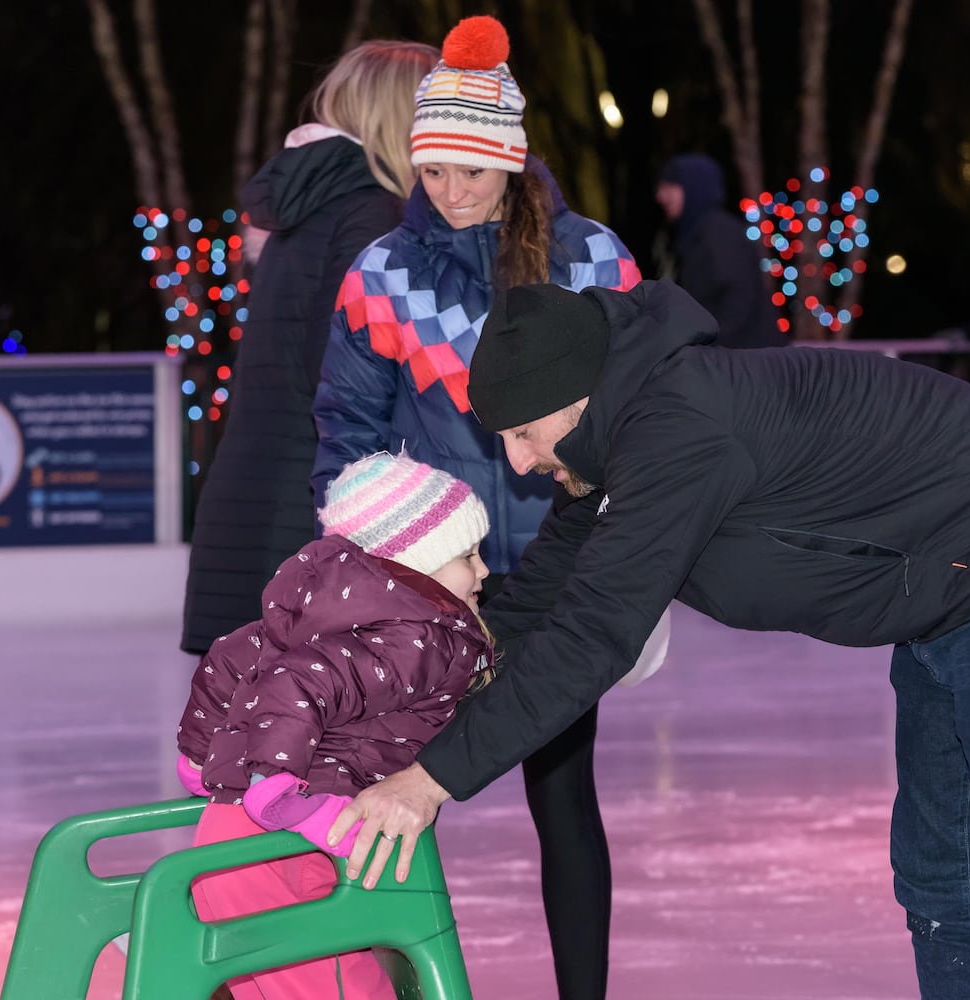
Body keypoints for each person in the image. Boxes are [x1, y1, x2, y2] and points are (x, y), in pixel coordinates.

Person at [333, 280, 970, 1000]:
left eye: (523, 433)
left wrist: (433, 781)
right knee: (939, 891)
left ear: (576, 396)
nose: (517, 462)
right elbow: (533, 607)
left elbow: (592, 637)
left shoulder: (677, 431)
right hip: (953, 602)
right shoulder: (620, 445)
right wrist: (397, 708)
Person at [311, 15, 640, 999]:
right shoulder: (383, 274)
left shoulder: (588, 263)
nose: (449, 193)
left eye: (471, 172)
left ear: (511, 162)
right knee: (400, 803)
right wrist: (364, 573)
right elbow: (347, 437)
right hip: (433, 587)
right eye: (433, 171)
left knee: (562, 794)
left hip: (560, 577)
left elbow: (647, 407)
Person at [175, 451, 494, 1000]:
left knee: (269, 981)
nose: (484, 570)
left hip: (230, 836)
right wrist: (279, 786)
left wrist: (199, 758)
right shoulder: (416, 640)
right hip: (295, 830)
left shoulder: (323, 618)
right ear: (416, 563)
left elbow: (230, 657)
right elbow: (296, 685)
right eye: (467, 555)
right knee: (333, 981)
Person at [180, 40, 440, 654]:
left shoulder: (317, 207)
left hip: (271, 496)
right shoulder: (372, 214)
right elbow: (349, 377)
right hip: (313, 512)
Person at [654, 153, 784, 348]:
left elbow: (736, 301)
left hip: (746, 362)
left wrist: (703, 345)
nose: (661, 196)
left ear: (694, 188)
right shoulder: (691, 236)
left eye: (670, 186)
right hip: (731, 361)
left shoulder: (719, 233)